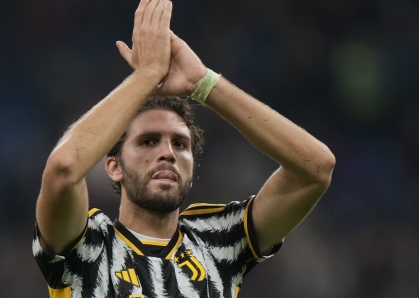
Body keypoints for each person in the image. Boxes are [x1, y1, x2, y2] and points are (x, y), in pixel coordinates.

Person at [32, 0, 335, 297]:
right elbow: (64, 168)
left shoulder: (218, 241)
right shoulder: (87, 245)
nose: (168, 153)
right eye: (147, 141)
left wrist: (203, 83)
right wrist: (145, 76)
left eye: (180, 143)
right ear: (114, 167)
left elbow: (315, 168)